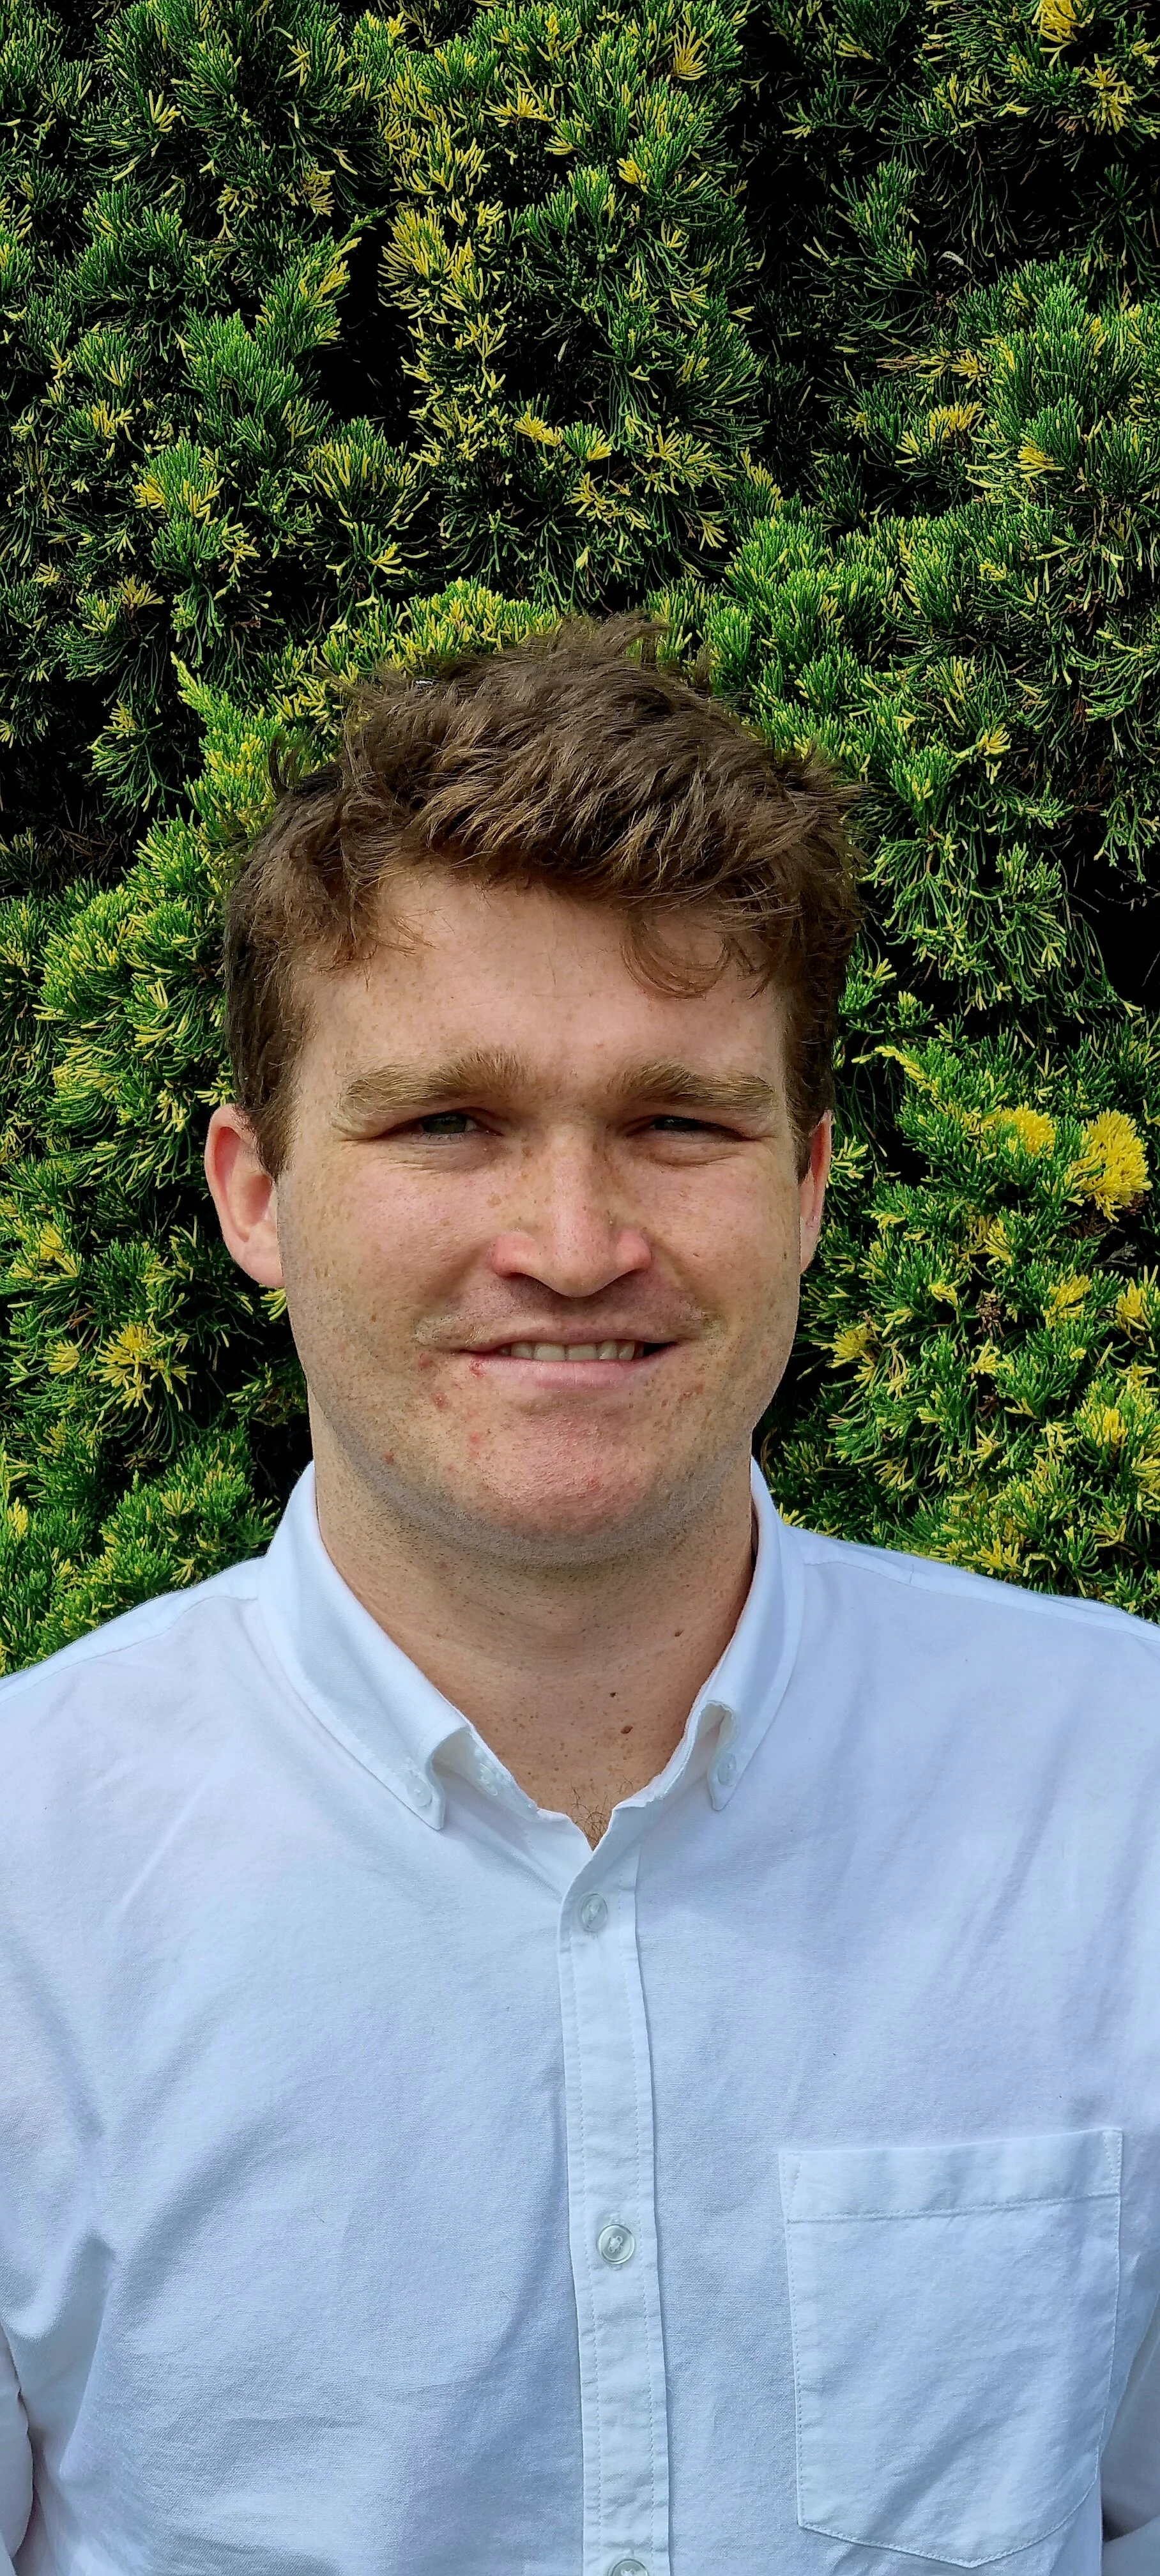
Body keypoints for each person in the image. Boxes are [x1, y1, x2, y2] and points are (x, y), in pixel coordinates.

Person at [0, 622, 1157, 2576]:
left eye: (677, 1124)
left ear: (802, 1188)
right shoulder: (23, 1888)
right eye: (447, 1122)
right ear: (254, 1193)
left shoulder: (1122, 1796)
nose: (570, 1243)